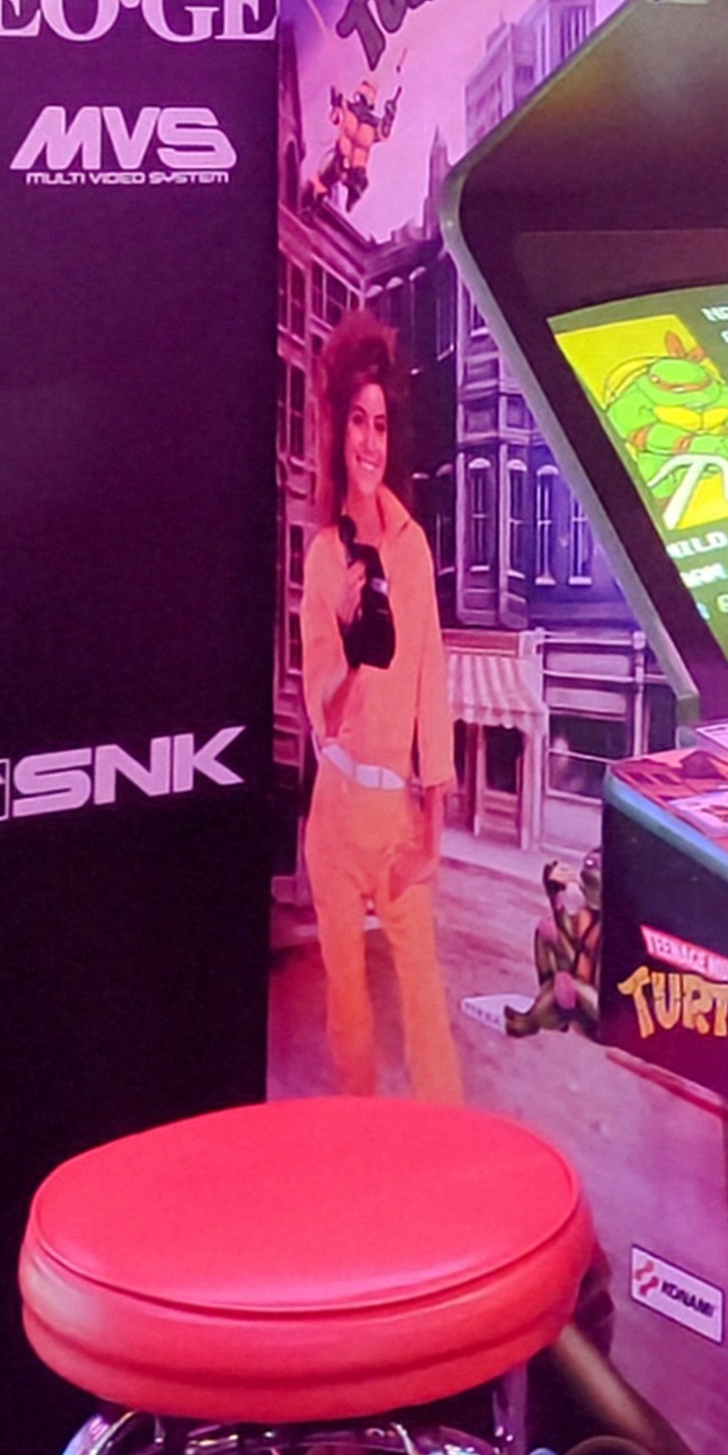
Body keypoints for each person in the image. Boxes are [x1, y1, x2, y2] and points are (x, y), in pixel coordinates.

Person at [296, 317, 461, 1103]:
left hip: (394, 813)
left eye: (381, 424)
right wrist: (354, 645)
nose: (370, 441)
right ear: (338, 430)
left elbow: (432, 683)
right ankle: (357, 1147)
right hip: (334, 814)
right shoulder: (324, 556)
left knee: (425, 1005)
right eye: (358, 421)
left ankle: (454, 1151)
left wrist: (432, 830)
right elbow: (320, 708)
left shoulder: (413, 546)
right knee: (349, 1011)